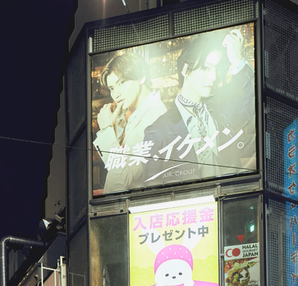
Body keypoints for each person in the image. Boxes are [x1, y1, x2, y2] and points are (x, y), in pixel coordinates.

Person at [142, 28, 256, 187]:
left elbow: (255, 103)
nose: (213, 77)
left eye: (215, 68)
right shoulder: (157, 131)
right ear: (185, 71)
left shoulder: (222, 109)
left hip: (230, 203)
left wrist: (237, 60)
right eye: (206, 68)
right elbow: (150, 191)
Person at [93, 52, 167, 195]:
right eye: (112, 88)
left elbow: (119, 184)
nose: (116, 94)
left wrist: (106, 132)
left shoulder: (154, 118)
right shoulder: (138, 115)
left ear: (141, 77)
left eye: (121, 83)